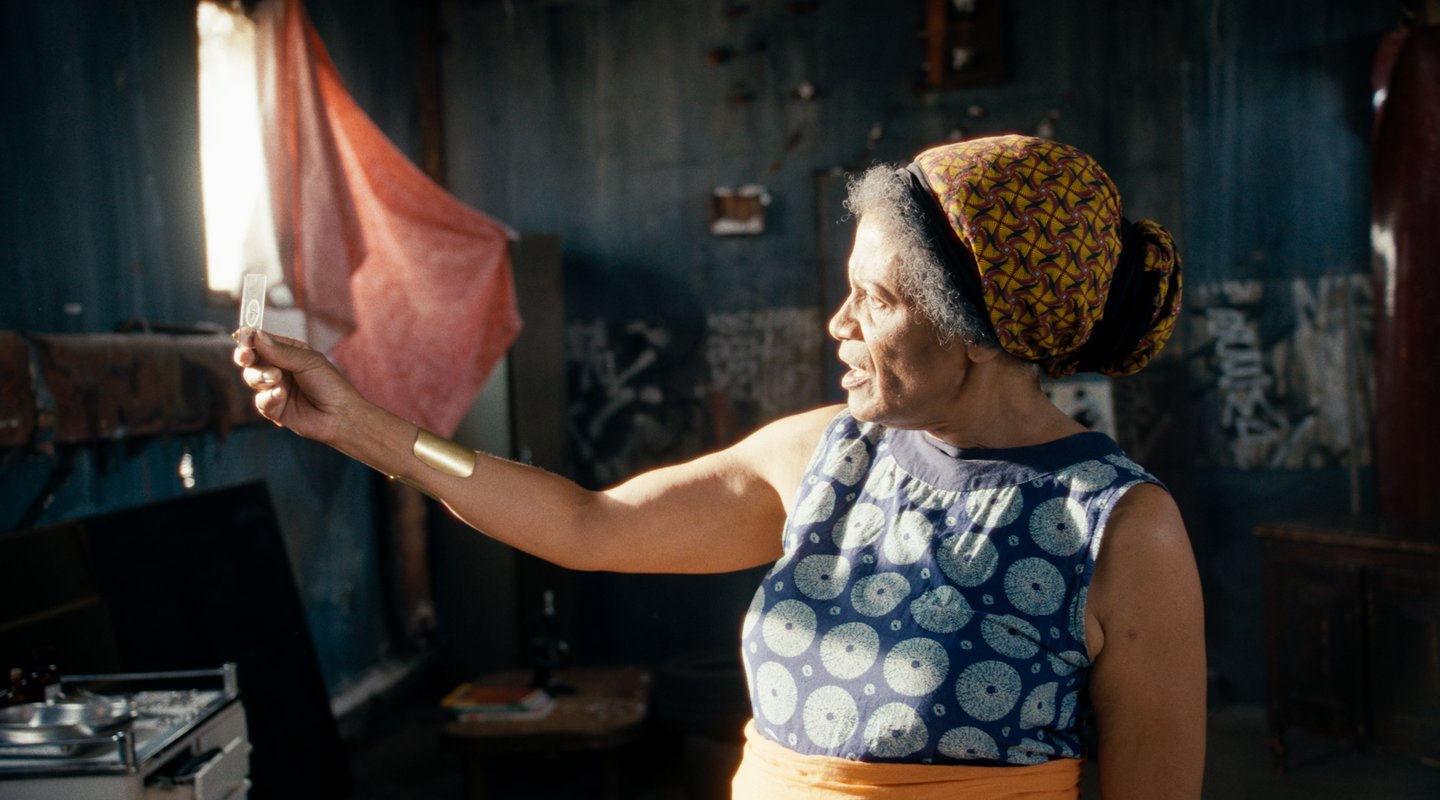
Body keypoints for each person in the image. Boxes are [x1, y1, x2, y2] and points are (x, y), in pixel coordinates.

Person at [234, 134, 1205, 799]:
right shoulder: (826, 455)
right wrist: (363, 427)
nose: (839, 323)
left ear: (982, 332)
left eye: (876, 300)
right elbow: (583, 523)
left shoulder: (1117, 529)